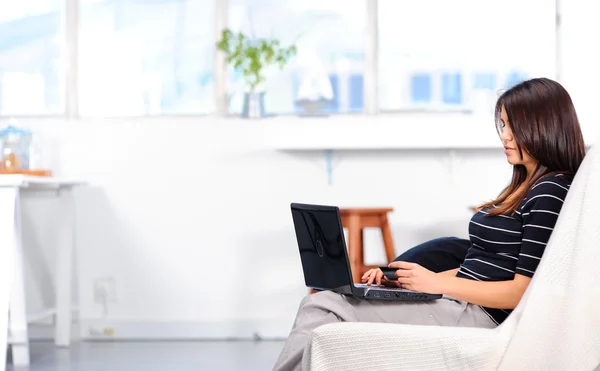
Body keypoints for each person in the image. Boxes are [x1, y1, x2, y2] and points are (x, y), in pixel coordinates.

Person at [273, 77, 587, 371]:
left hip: (479, 317)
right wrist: (406, 280)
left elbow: (523, 292)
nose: (504, 135)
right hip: (459, 302)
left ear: (542, 126)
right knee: (326, 303)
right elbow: (481, 266)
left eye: (513, 126)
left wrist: (435, 284)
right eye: (502, 125)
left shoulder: (550, 191)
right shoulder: (524, 187)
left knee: (323, 307)